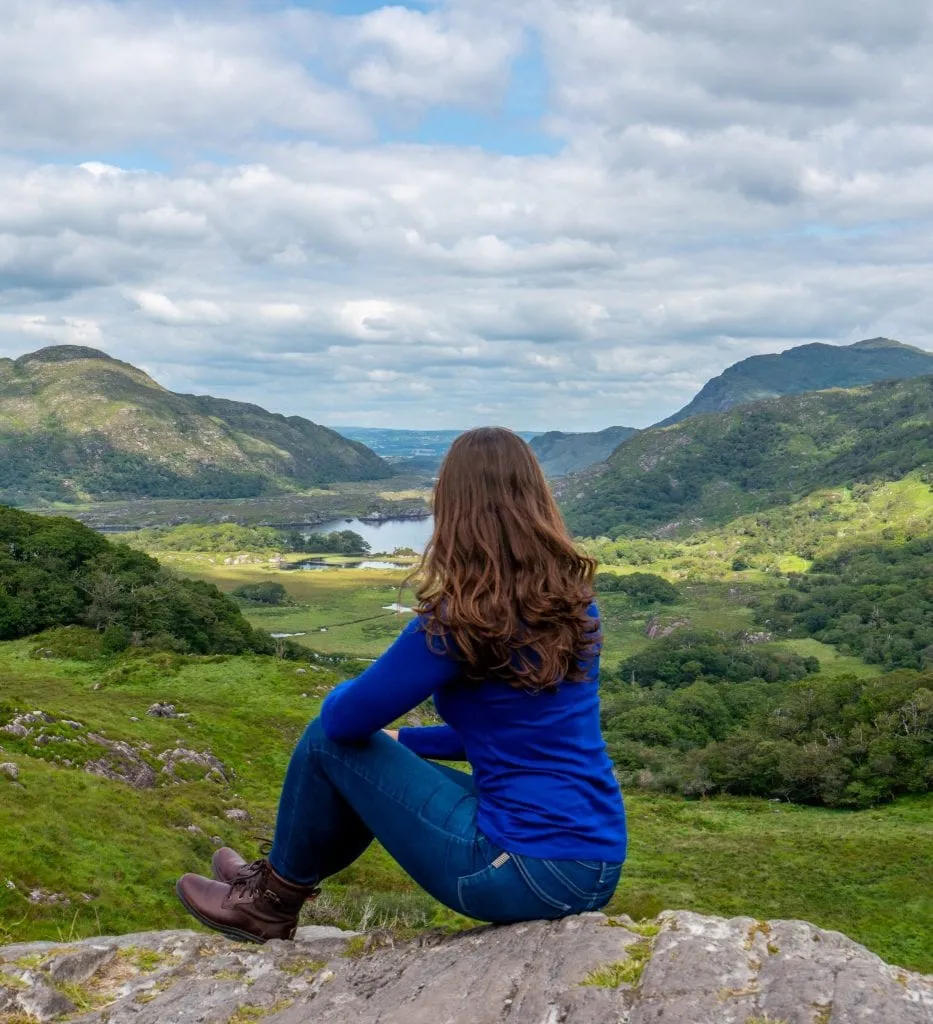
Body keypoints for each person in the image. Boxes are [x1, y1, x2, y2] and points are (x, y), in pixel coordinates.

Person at [176, 427, 627, 943]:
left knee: (327, 740)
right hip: (592, 865)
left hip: (519, 872)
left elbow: (343, 722)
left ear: (454, 507)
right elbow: (507, 730)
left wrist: (344, 691)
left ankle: (270, 902)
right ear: (536, 499)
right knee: (361, 755)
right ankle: (276, 884)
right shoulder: (572, 603)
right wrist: (403, 742)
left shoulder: (461, 619)